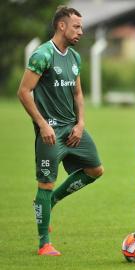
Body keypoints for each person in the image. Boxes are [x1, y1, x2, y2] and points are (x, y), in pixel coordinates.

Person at [17, 6, 104, 256]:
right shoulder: (42, 55)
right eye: (76, 26)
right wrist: (42, 124)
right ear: (61, 26)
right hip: (51, 132)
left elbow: (77, 93)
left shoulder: (75, 58)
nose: (81, 31)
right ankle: (44, 243)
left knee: (95, 170)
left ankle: (52, 200)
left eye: (81, 27)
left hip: (72, 129)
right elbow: (23, 92)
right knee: (45, 184)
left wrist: (81, 123)